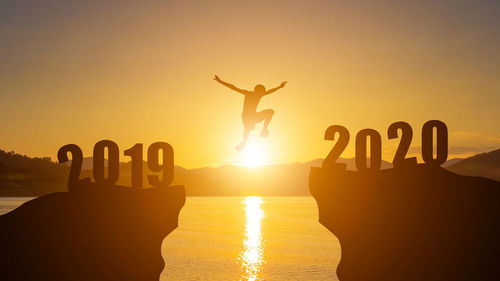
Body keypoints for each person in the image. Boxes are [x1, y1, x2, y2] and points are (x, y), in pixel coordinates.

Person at [214, 75, 287, 151]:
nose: (262, 94)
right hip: (247, 117)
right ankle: (244, 143)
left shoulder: (259, 94)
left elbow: (269, 91)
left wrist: (279, 87)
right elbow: (233, 87)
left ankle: (263, 130)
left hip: (254, 116)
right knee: (248, 129)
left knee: (270, 112)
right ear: (257, 90)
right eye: (261, 92)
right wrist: (220, 81)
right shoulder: (248, 93)